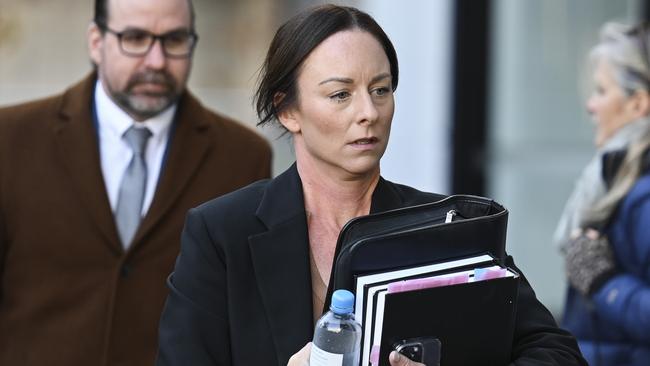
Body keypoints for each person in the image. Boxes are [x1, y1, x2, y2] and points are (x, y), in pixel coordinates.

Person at [157, 4, 586, 366]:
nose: (368, 111)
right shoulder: (221, 232)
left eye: (380, 90)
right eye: (340, 94)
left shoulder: (448, 228)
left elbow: (558, 353)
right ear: (287, 111)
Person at [0, 0, 271, 365]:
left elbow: (243, 317)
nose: (156, 61)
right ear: (96, 42)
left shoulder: (242, 157)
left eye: (174, 39)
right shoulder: (10, 139)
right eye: (135, 38)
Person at [559, 22, 650, 366]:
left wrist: (604, 282)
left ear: (637, 103)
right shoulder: (618, 180)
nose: (591, 105)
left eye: (601, 90)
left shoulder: (644, 194)